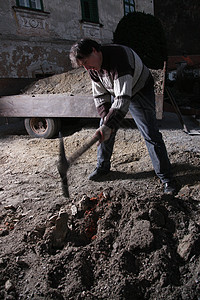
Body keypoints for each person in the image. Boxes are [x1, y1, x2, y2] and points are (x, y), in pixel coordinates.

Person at [69, 38, 175, 194]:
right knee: (104, 128)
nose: (86, 68)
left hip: (140, 89)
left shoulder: (119, 59)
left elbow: (123, 99)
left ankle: (167, 178)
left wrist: (108, 125)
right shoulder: (92, 68)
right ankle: (102, 168)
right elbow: (100, 96)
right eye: (82, 66)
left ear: (94, 50)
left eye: (85, 62)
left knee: (150, 133)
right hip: (117, 91)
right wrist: (106, 122)